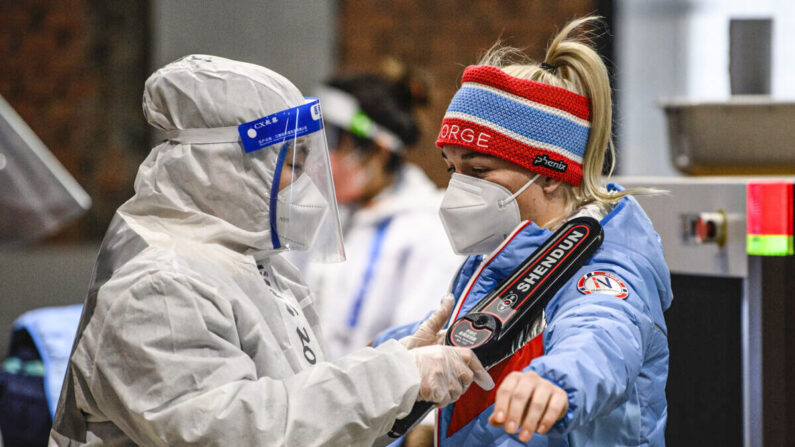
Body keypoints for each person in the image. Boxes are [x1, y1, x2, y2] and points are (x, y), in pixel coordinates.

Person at [48, 54, 494, 447]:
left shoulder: (250, 261)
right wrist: (394, 376)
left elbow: (301, 410)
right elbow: (240, 432)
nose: (306, 185)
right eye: (293, 165)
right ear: (220, 166)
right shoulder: (160, 286)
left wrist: (397, 378)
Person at [374, 17, 672, 446]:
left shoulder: (605, 261)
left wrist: (555, 382)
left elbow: (603, 331)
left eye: (478, 170)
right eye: (452, 169)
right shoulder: (508, 253)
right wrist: (377, 365)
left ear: (549, 173)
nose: (460, 187)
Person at [296, 68, 463, 360]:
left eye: (333, 141)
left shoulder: (429, 231)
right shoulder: (320, 215)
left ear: (379, 151)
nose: (318, 155)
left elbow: (413, 347)